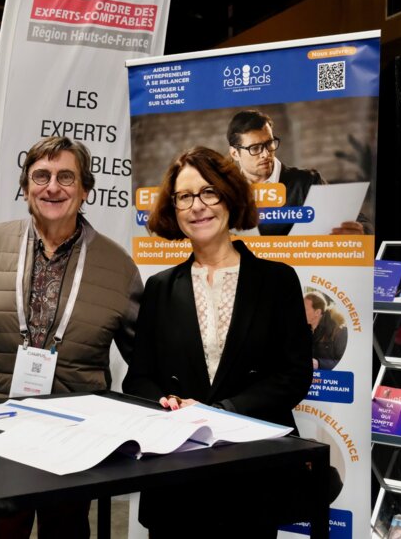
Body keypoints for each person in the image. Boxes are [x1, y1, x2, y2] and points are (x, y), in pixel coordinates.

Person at [123, 146, 313, 537]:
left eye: (209, 192)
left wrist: (219, 413)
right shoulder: (159, 287)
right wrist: (166, 403)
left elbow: (294, 376)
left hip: (251, 474)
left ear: (230, 196)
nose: (197, 206)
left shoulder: (277, 281)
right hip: (177, 476)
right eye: (184, 196)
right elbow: (138, 378)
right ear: (173, 209)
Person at [0, 135, 142, 538]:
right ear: (26, 187)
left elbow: (144, 359)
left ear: (85, 190)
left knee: (66, 530)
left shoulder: (119, 267)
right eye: (41, 176)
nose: (52, 187)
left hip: (75, 437)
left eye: (66, 177)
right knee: (0, 531)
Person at [227, 109, 372, 236]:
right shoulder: (226, 190)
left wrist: (361, 230)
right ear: (235, 153)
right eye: (255, 148)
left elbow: (360, 221)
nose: (265, 154)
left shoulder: (307, 182)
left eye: (269, 143)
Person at [305, 291, 348, 370]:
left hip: (333, 377)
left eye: (305, 309)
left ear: (317, 312)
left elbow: (348, 363)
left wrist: (319, 364)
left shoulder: (339, 331)